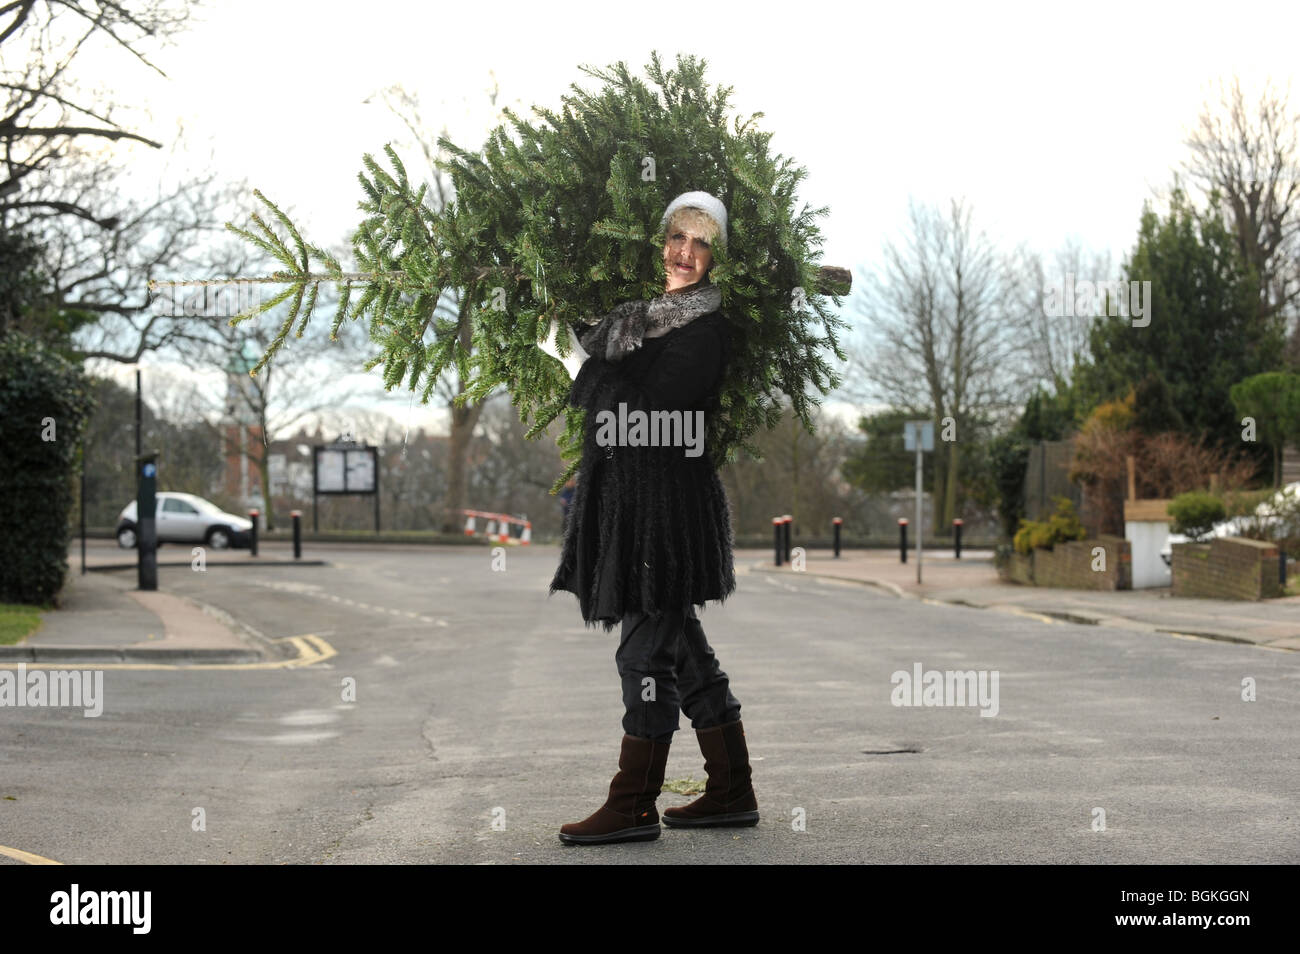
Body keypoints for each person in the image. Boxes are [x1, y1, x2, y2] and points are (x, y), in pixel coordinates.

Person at [539, 190, 759, 845]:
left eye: (702, 242)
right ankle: (730, 791)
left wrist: (577, 366)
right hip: (634, 510)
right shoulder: (640, 318)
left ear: (716, 256)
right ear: (660, 240)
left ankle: (634, 804)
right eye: (677, 237)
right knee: (682, 651)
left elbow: (648, 419)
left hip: (666, 517)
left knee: (645, 658)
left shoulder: (706, 332)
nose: (686, 253)